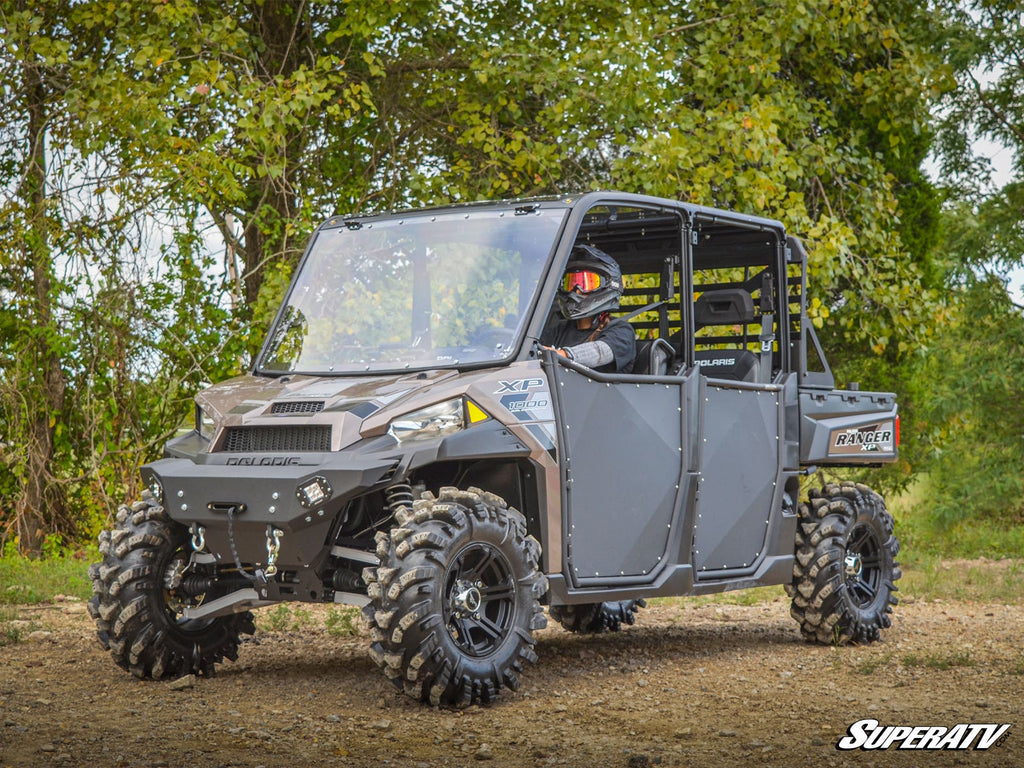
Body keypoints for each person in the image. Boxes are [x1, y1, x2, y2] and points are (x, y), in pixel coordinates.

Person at [541, 244, 636, 373]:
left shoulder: (621, 330)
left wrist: (562, 355)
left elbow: (600, 352)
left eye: (587, 283)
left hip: (601, 393)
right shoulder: (559, 330)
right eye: (571, 283)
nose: (576, 291)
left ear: (607, 285)